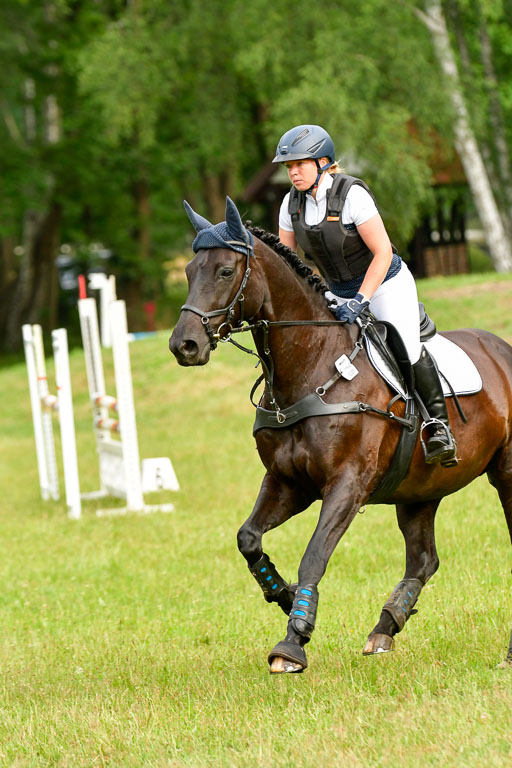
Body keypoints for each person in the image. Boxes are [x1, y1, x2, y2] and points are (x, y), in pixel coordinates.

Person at [273, 123, 457, 466]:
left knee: (407, 346)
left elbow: (382, 253)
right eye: (289, 166)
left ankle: (438, 426)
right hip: (336, 291)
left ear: (323, 162)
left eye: (299, 164)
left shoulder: (352, 195)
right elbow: (287, 263)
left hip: (385, 282)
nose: (293, 172)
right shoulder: (291, 204)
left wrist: (361, 300)